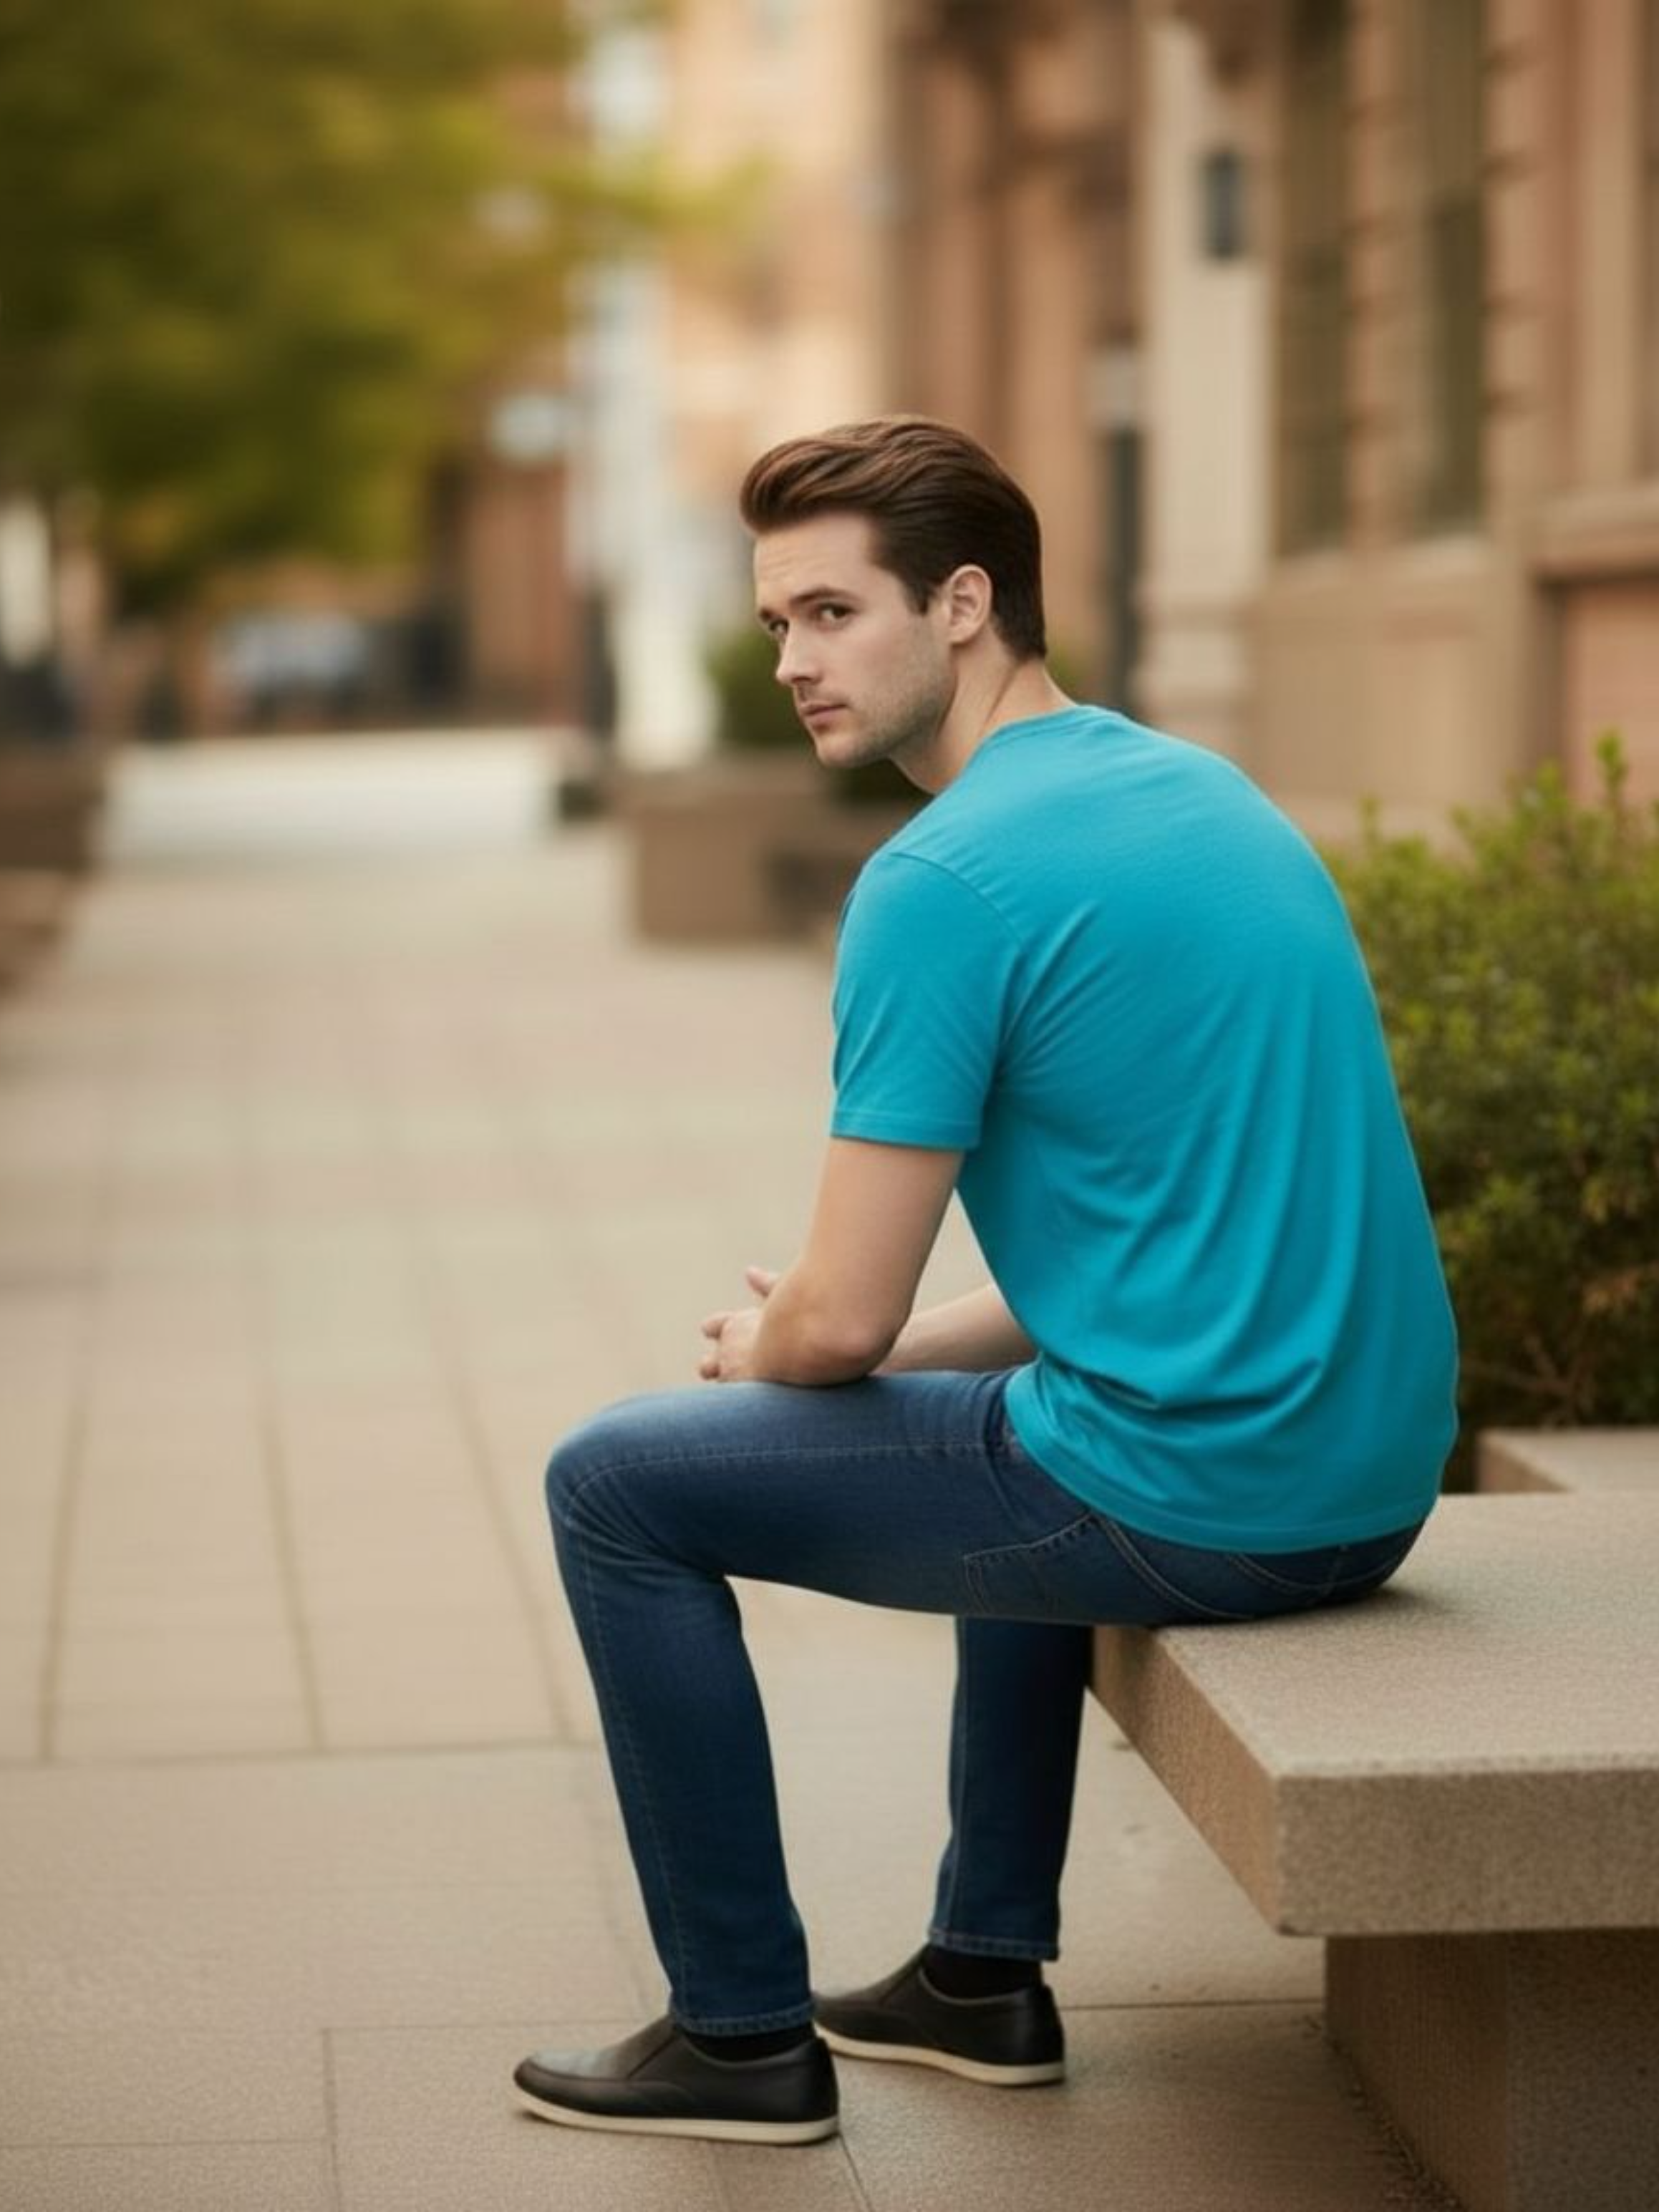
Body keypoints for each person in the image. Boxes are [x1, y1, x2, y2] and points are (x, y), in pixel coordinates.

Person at [512, 416, 1458, 2146]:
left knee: (613, 1487)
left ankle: (737, 2036)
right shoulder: (1201, 793)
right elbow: (1151, 1238)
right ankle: (978, 1973)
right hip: (1369, 1487)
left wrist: (772, 1343)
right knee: (997, 1417)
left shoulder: (940, 882)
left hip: (1210, 1502)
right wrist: (855, 1356)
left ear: (960, 605)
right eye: (775, 624)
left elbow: (841, 1319)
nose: (790, 663)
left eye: (828, 613)